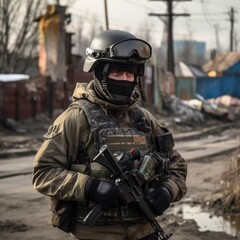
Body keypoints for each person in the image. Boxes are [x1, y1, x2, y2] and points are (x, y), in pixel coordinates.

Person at [32, 29, 187, 240]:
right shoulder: (76, 118)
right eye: (117, 73)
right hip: (95, 234)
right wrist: (90, 186)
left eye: (129, 74)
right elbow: (43, 173)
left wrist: (167, 190)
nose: (125, 79)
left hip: (145, 231)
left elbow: (176, 165)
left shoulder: (145, 120)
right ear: (100, 73)